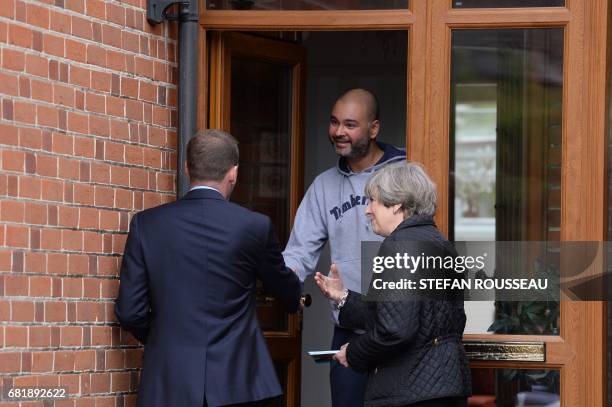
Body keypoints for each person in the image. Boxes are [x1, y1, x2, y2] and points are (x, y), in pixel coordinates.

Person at [115, 129, 302, 407]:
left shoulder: (147, 224)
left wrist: (165, 336)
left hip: (168, 382)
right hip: (239, 384)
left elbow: (130, 311)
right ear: (233, 173)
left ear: (187, 167)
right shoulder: (254, 226)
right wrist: (294, 292)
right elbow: (286, 293)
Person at [283, 88, 406, 407]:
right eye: (334, 122)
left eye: (350, 124)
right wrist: (282, 286)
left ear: (374, 128)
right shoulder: (324, 186)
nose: (339, 132)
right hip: (351, 329)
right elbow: (298, 253)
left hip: (402, 328)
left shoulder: (406, 172)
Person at [314, 161, 472, 407]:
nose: (367, 210)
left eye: (372, 201)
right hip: (443, 388)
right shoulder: (439, 243)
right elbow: (401, 314)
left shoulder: (400, 246)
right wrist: (343, 296)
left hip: (411, 392)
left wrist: (353, 353)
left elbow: (396, 329)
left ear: (397, 203)